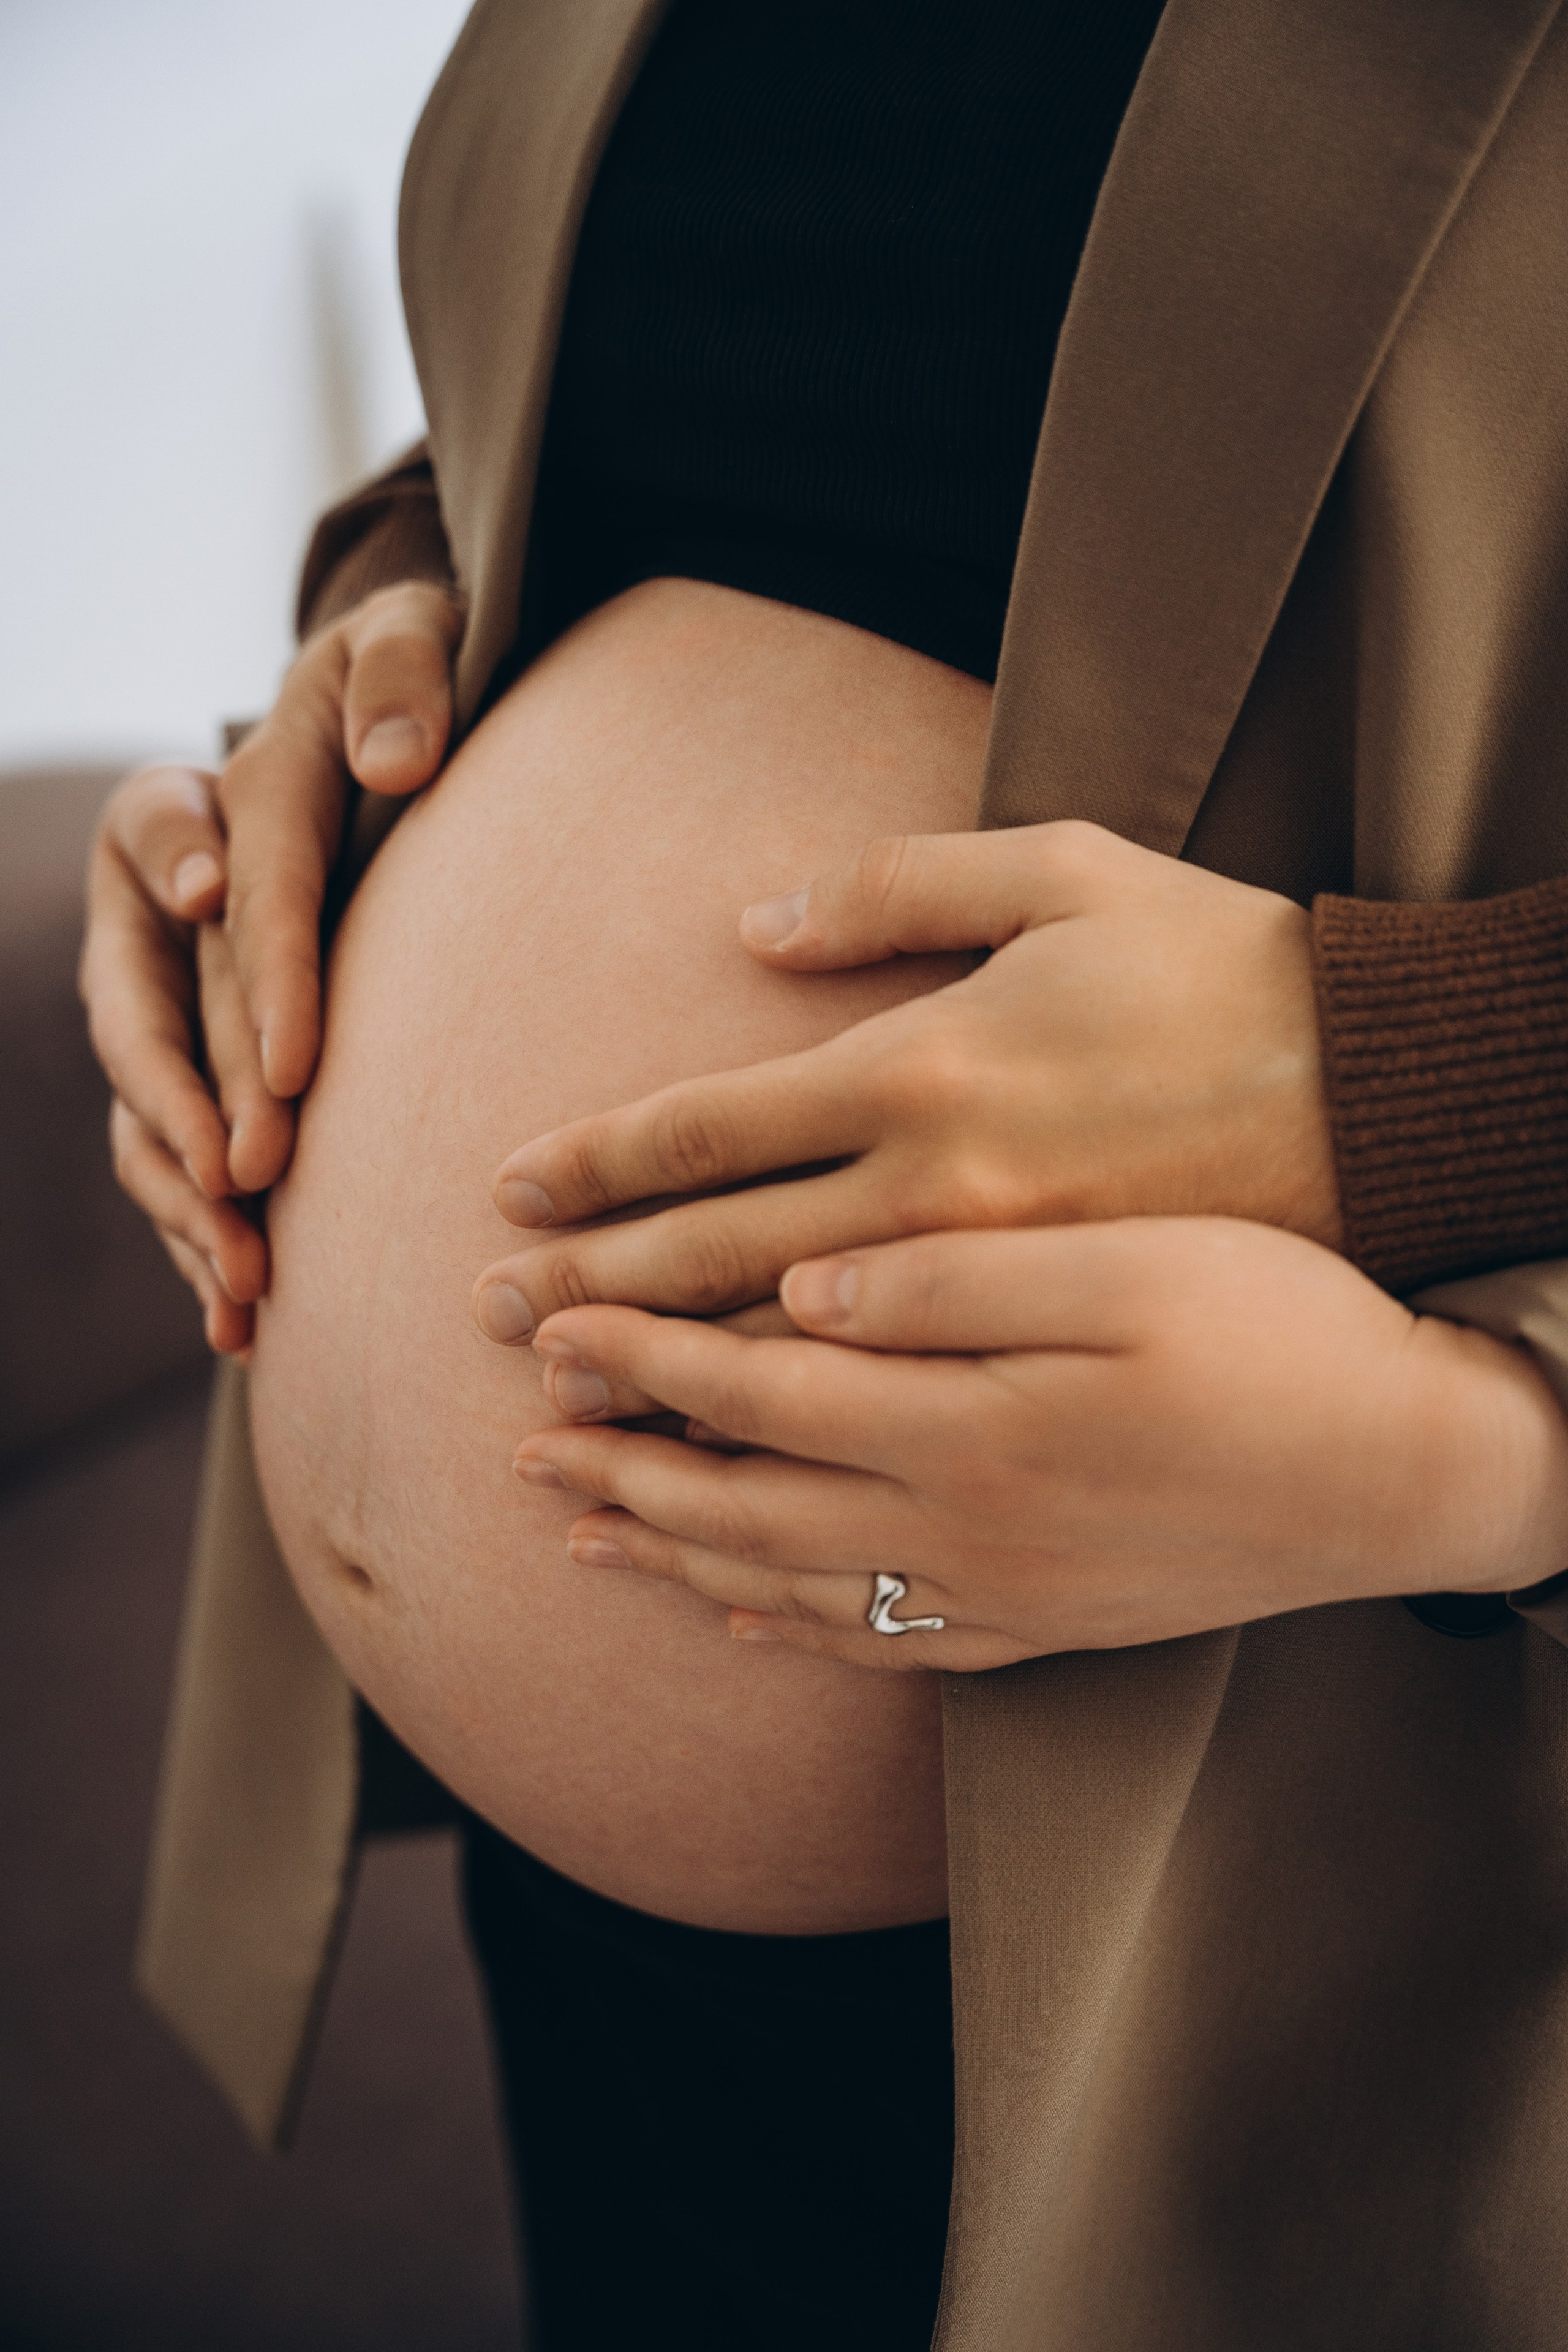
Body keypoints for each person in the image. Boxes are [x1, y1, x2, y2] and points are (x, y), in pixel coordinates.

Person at [78, 1, 1568, 2346]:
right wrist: (368, 640)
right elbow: (648, 403)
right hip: (598, 1937)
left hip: (1290, 1860)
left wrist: (1409, 1079)